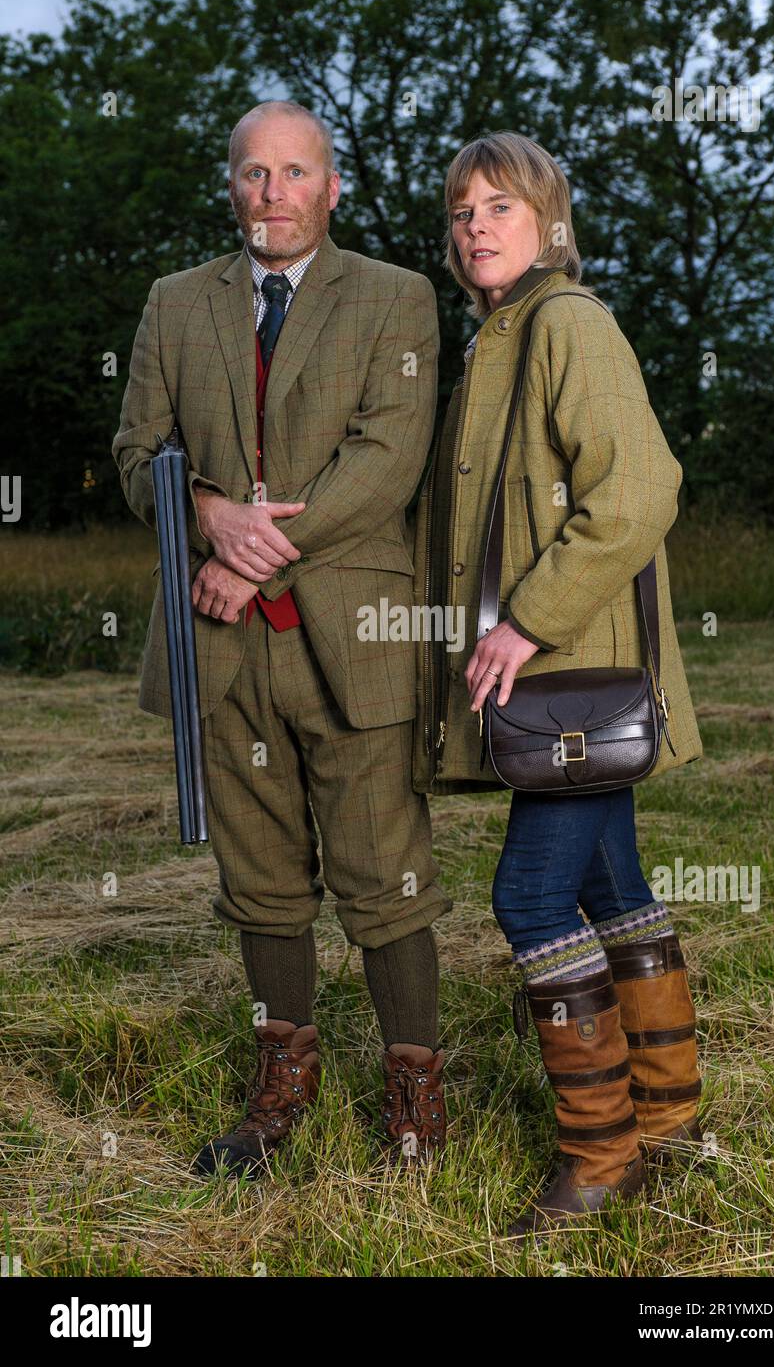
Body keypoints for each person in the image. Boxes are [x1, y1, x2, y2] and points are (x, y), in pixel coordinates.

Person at [112, 100, 451, 1177]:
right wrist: (208, 513)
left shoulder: (397, 299)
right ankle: (280, 1089)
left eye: (295, 172)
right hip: (221, 649)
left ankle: (412, 1096)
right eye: (254, 173)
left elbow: (385, 465)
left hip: (352, 637)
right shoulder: (174, 305)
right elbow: (137, 453)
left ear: (332, 186)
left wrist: (248, 551)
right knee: (259, 880)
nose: (273, 193)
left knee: (382, 873)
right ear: (231, 185)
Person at [412, 131, 705, 1237]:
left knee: (529, 897)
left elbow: (637, 492)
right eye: (459, 211)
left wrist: (524, 623)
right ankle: (669, 1116)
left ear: (549, 221)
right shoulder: (496, 337)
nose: (475, 225)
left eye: (500, 205)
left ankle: (599, 1152)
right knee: (609, 882)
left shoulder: (567, 323)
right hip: (561, 679)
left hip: (570, 670)